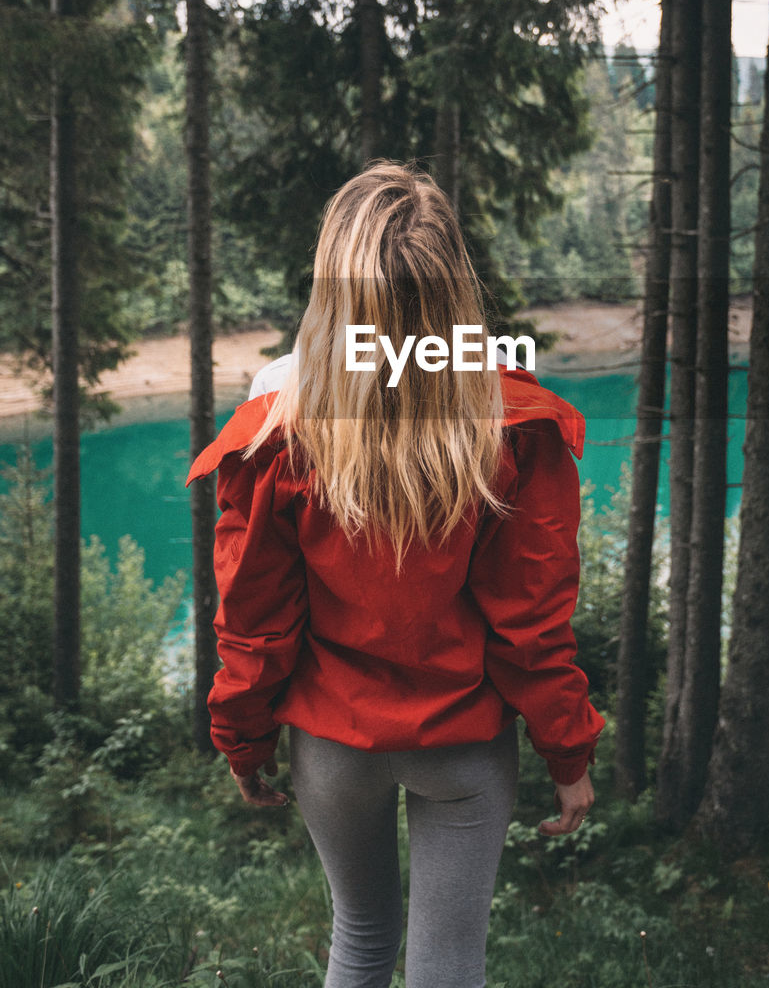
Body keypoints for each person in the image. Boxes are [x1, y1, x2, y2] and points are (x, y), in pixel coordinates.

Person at [186, 160, 605, 988]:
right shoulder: (511, 425)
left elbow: (255, 622)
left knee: (361, 940)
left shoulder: (276, 428)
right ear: (452, 287)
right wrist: (569, 750)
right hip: (463, 746)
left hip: (333, 748)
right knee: (449, 964)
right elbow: (531, 625)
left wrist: (243, 737)